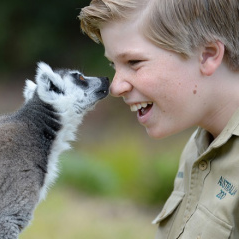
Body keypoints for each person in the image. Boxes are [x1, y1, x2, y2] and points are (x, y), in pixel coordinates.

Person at [79, 0, 239, 238]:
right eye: (114, 64)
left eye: (134, 62)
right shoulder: (198, 147)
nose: (115, 87)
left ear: (207, 55)